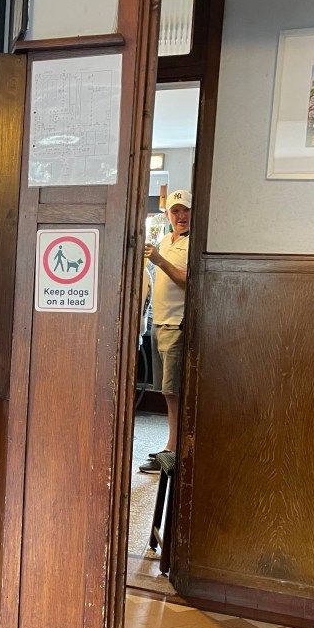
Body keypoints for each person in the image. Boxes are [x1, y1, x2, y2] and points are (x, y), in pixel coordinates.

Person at [140, 189, 191, 474]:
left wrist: (159, 260)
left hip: (177, 324)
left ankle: (174, 450)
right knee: (166, 391)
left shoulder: (192, 243)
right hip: (159, 323)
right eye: (175, 211)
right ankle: (171, 446)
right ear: (168, 215)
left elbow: (187, 280)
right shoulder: (165, 241)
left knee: (174, 391)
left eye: (185, 210)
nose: (180, 216)